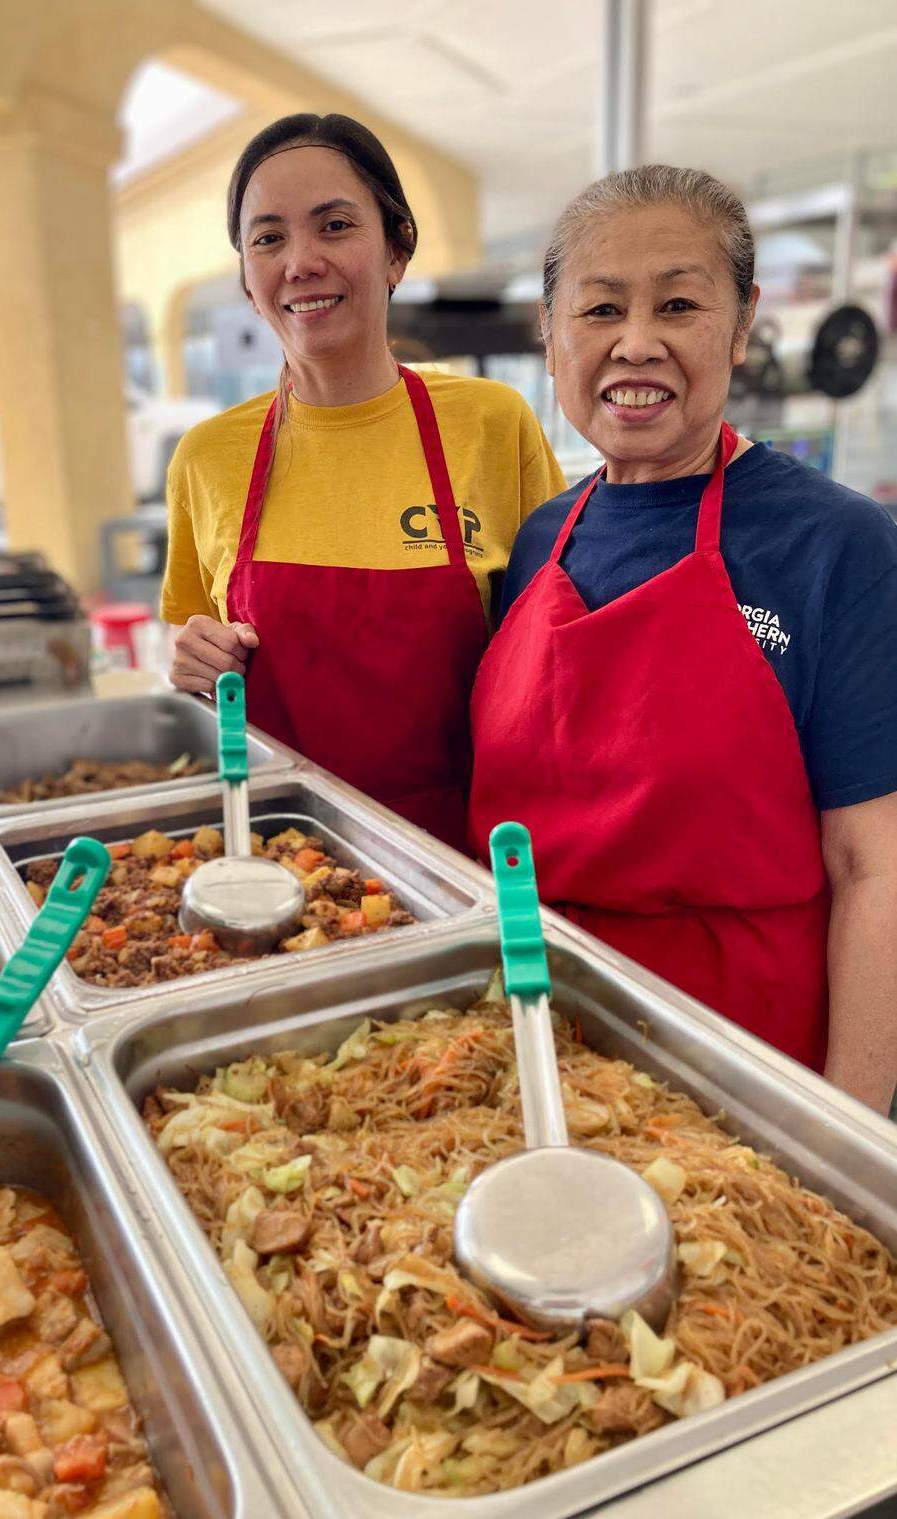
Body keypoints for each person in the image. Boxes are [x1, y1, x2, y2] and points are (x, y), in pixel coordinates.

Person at [469, 165, 897, 1113]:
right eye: (599, 310)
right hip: (531, 1043)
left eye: (677, 304)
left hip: (743, 1067)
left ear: (741, 327)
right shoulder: (542, 538)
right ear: (549, 334)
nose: (637, 343)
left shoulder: (838, 544)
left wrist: (845, 1135)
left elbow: (877, 868)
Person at [164, 113, 563, 851]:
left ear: (396, 249)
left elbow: (558, 655)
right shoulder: (206, 458)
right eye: (268, 237)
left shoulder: (492, 425)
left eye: (336, 225)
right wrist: (191, 658)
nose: (301, 261)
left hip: (468, 864)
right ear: (248, 282)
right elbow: (194, 648)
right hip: (280, 870)